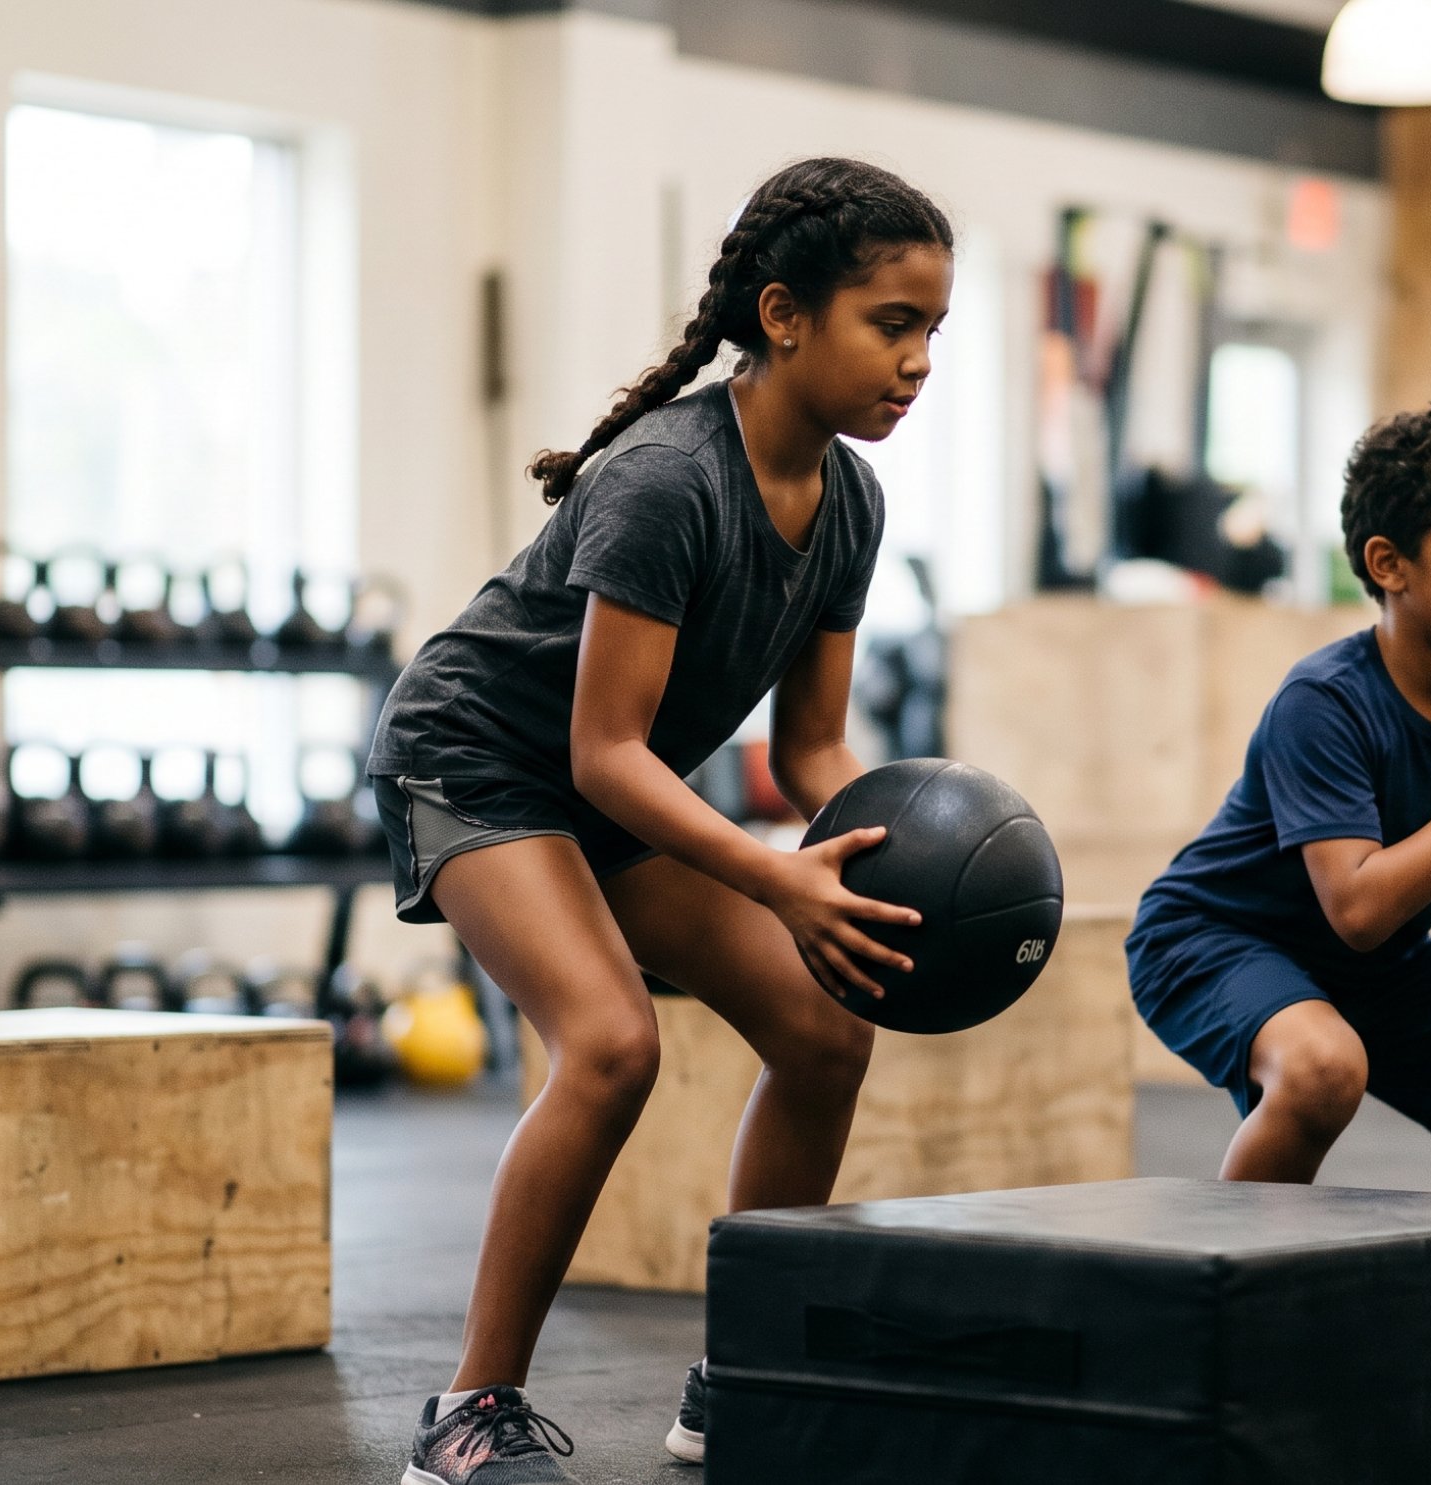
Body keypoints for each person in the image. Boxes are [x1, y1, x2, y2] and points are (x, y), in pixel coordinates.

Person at [369, 157, 952, 1483]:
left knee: (822, 1026)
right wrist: (775, 879)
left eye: (931, 330)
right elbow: (607, 749)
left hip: (601, 788)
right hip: (475, 760)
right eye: (892, 324)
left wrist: (899, 853)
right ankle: (467, 1414)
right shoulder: (667, 479)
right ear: (786, 314)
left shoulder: (852, 503)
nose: (917, 361)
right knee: (612, 1043)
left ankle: (743, 1371)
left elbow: (811, 748)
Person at [1124, 404, 1431, 1197]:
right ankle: (1229, 1308)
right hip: (1211, 940)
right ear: (1390, 564)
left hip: (1368, 962)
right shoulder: (1323, 701)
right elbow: (1357, 908)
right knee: (1324, 1069)